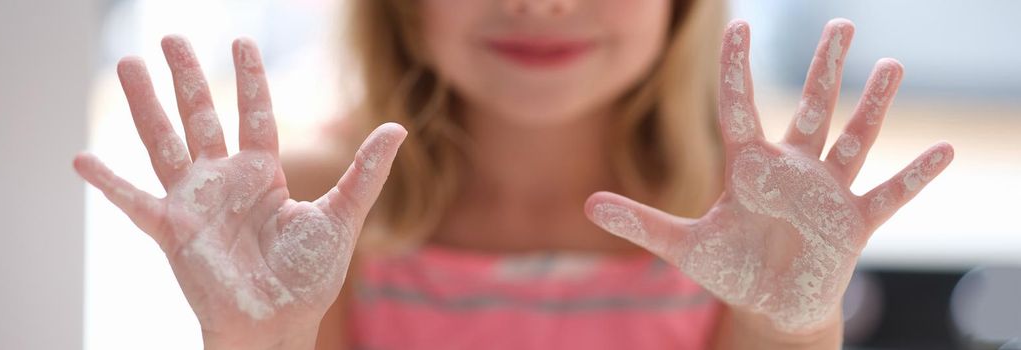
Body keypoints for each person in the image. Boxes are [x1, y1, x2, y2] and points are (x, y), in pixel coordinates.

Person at [72, 0, 954, 349]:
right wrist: (255, 340)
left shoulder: (739, 220)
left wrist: (795, 325)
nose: (541, 3)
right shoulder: (314, 207)